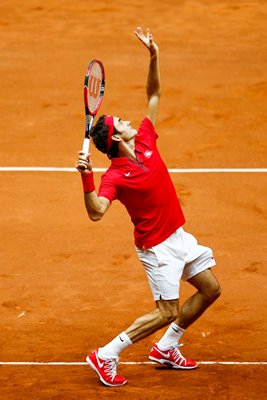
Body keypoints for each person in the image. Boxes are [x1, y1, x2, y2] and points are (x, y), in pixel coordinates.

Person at [76, 27, 221, 387]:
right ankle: (106, 353)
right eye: (119, 122)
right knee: (166, 310)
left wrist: (154, 56)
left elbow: (154, 93)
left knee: (210, 289)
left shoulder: (144, 137)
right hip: (157, 249)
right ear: (114, 136)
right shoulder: (114, 177)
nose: (126, 119)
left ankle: (167, 346)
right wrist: (86, 176)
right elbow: (96, 211)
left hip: (178, 235)